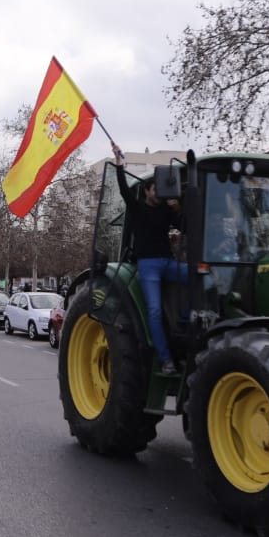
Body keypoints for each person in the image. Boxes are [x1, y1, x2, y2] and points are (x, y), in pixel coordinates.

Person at [111, 144, 185, 374]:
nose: (160, 194)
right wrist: (119, 163)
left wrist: (178, 208)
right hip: (148, 266)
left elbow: (184, 227)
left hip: (168, 263)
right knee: (153, 311)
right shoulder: (137, 208)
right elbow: (124, 189)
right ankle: (165, 359)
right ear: (147, 191)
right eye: (156, 190)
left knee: (202, 277)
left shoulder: (166, 210)